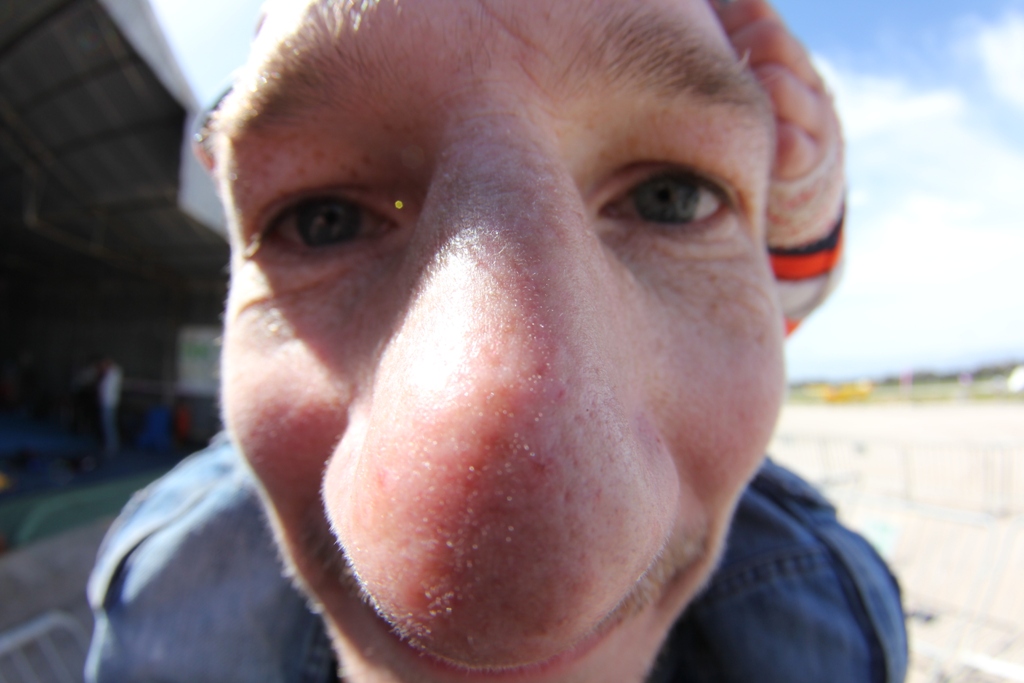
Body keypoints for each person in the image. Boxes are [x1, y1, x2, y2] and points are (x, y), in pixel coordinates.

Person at [86, 0, 906, 681]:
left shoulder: (824, 619)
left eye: (671, 199)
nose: (516, 593)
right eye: (322, 221)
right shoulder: (166, 597)